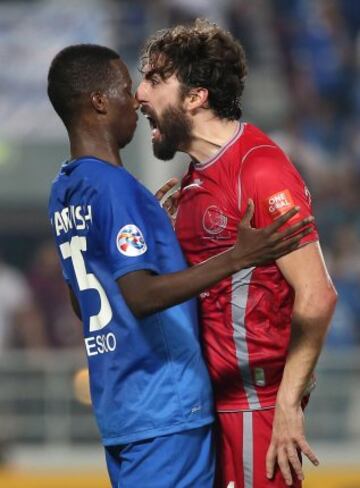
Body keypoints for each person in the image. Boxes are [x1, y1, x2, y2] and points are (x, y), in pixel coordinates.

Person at [46, 44, 312, 488]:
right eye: (127, 88)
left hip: (120, 406)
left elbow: (82, 301)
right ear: (98, 102)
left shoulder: (67, 187)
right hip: (164, 406)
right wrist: (240, 256)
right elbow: (140, 296)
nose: (135, 99)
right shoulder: (116, 189)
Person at [136, 20, 337, 488]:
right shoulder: (194, 180)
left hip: (255, 411)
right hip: (208, 407)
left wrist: (287, 406)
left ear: (195, 97)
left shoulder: (261, 170)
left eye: (155, 80)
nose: (139, 93)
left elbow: (318, 295)